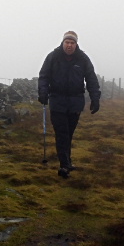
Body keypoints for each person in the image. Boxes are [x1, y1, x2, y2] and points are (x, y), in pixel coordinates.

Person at [38, 31, 100, 178]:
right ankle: (64, 165)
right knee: (62, 134)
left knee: (69, 133)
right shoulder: (53, 57)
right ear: (63, 43)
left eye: (72, 43)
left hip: (75, 102)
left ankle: (67, 161)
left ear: (76, 44)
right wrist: (43, 92)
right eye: (67, 42)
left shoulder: (83, 59)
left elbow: (91, 78)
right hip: (57, 100)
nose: (69, 45)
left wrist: (95, 98)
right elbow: (44, 76)